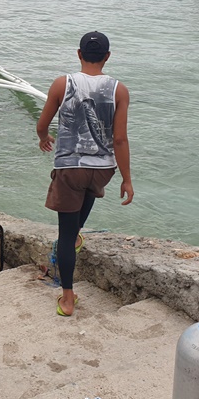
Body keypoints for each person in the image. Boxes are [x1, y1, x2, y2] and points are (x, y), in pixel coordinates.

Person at [35, 31, 133, 318]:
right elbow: (120, 140)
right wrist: (126, 179)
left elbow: (43, 123)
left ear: (79, 54)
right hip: (102, 170)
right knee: (85, 200)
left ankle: (67, 298)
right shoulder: (119, 90)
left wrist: (43, 137)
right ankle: (77, 236)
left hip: (70, 168)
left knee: (64, 235)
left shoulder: (62, 84)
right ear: (107, 57)